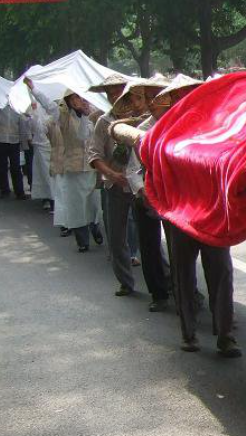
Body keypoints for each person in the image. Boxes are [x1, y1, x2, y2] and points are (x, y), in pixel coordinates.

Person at [126, 74, 199, 315]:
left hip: (178, 198)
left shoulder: (187, 123)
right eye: (146, 97)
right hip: (148, 193)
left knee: (184, 251)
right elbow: (133, 169)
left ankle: (187, 293)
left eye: (154, 96)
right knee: (150, 246)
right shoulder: (143, 129)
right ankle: (159, 293)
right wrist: (144, 192)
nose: (150, 102)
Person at [89, 77, 167, 298]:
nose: (115, 96)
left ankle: (166, 280)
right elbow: (94, 155)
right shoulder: (104, 122)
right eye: (110, 93)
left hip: (143, 185)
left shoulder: (146, 120)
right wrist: (112, 174)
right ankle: (125, 281)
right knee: (116, 236)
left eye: (119, 92)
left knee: (150, 238)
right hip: (116, 184)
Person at [47, 90, 104, 252]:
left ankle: (95, 228)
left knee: (93, 203)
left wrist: (88, 112)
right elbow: (49, 107)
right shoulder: (63, 116)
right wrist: (33, 89)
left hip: (92, 166)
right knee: (76, 205)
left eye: (79, 96)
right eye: (73, 98)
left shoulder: (94, 112)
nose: (77, 101)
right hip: (73, 168)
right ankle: (82, 240)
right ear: (68, 100)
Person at [25, 79, 56, 210]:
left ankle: (54, 199)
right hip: (41, 146)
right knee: (44, 174)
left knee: (54, 175)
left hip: (54, 147)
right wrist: (33, 114)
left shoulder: (56, 106)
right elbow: (34, 127)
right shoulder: (34, 106)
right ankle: (47, 198)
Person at [0, 96, 27, 199]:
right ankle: (4, 190)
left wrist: (23, 143)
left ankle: (19, 192)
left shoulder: (18, 109)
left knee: (15, 167)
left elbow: (22, 126)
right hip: (0, 140)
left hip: (13, 141)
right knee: (2, 167)